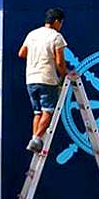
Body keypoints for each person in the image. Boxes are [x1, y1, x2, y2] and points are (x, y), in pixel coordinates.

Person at [18, 8, 68, 153]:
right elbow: (59, 61)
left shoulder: (32, 34)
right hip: (46, 78)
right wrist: (64, 75)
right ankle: (36, 139)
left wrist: (36, 56)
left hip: (31, 78)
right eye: (61, 23)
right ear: (57, 22)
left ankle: (35, 139)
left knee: (37, 112)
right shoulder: (56, 37)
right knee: (49, 111)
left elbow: (22, 53)